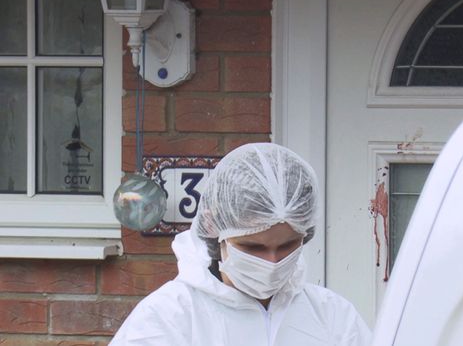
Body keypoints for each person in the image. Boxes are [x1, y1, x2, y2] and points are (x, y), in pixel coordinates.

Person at [110, 143, 371, 345]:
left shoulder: (332, 316)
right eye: (253, 247)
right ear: (214, 230)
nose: (272, 262)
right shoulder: (169, 317)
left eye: (287, 246)